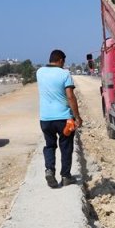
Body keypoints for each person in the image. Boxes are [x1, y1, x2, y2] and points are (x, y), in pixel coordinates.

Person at [37, 49, 82, 188]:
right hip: (63, 119)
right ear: (61, 60)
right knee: (66, 147)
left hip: (45, 119)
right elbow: (70, 96)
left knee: (50, 145)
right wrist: (77, 117)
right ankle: (66, 176)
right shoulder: (65, 74)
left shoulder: (39, 72)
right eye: (64, 62)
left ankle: (49, 170)